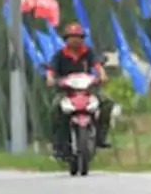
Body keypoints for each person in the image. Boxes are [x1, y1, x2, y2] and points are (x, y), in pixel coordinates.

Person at [45, 22, 114, 157]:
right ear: (66, 39)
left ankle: (101, 137)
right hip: (67, 91)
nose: (75, 40)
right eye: (72, 37)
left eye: (78, 37)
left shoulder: (88, 52)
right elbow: (51, 70)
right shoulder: (60, 55)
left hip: (87, 90)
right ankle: (58, 143)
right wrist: (50, 79)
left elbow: (97, 65)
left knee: (107, 102)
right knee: (55, 108)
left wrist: (102, 75)